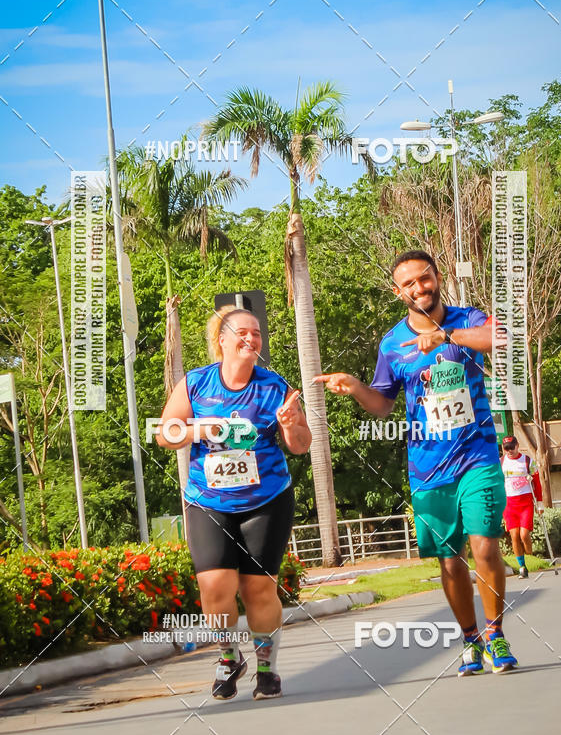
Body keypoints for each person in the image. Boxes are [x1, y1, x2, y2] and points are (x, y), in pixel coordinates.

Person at [314, 250, 518, 676]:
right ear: (398, 292)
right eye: (408, 284)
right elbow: (383, 405)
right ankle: (470, 640)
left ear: (437, 277)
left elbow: (501, 338)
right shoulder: (391, 344)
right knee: (449, 560)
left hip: (477, 453)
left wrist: (449, 338)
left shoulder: (466, 318)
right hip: (428, 467)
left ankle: (496, 633)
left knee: (484, 544)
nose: (418, 288)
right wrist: (354, 387)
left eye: (424, 279)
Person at [156, 305, 311, 701]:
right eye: (243, 332)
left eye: (257, 333)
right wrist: (201, 427)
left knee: (259, 589)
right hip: (207, 500)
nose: (251, 339)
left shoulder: (274, 385)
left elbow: (300, 446)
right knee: (214, 586)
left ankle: (266, 669)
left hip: (266, 499)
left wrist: (293, 424)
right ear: (221, 340)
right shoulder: (195, 384)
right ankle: (229, 657)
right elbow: (166, 433)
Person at [501, 435, 543, 579]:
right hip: (509, 504)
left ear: (517, 445)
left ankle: (530, 555)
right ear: (503, 449)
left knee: (524, 535)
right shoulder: (501, 463)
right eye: (506, 448)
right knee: (514, 535)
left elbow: (537, 484)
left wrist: (540, 503)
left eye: (512, 447)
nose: (509, 450)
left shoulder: (527, 461)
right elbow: (496, 484)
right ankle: (522, 567)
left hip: (525, 503)